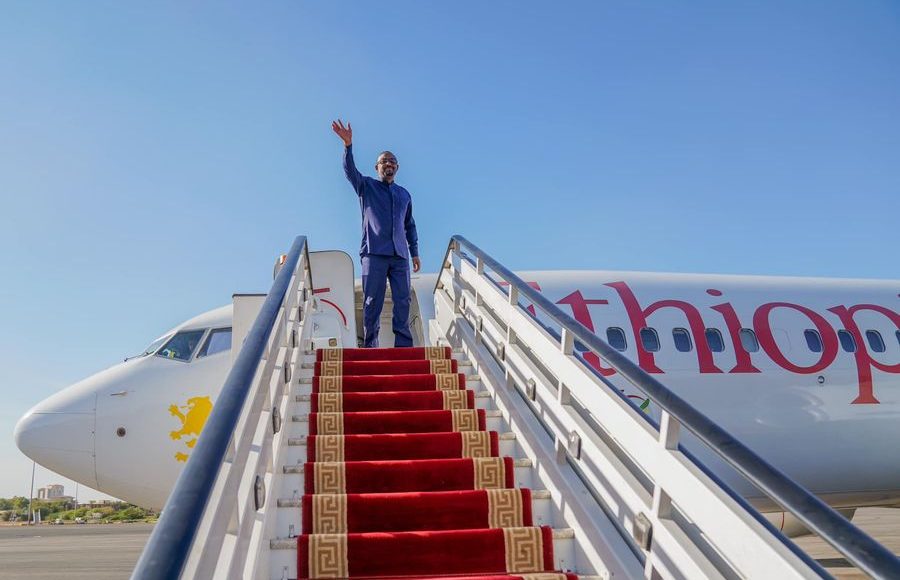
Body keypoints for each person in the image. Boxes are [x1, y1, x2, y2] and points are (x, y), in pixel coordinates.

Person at [331, 119, 421, 348]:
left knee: (403, 300)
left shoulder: (404, 195)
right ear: (377, 167)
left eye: (392, 161)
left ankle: (404, 346)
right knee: (372, 301)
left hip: (400, 255)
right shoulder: (366, 186)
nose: (388, 164)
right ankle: (371, 345)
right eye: (384, 161)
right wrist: (348, 146)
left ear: (397, 167)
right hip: (373, 253)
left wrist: (415, 253)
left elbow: (409, 225)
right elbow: (350, 171)